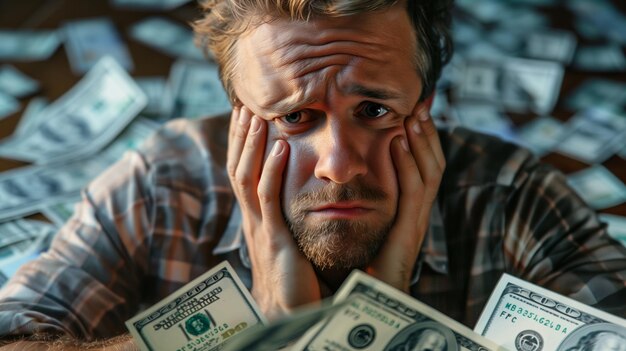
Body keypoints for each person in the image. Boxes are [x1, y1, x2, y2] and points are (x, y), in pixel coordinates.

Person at [1, 0, 626, 349]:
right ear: (237, 118)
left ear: (426, 109)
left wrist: (380, 315)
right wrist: (256, 336)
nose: (338, 164)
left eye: (375, 111)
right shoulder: (164, 183)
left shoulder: (510, 195)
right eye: (294, 117)